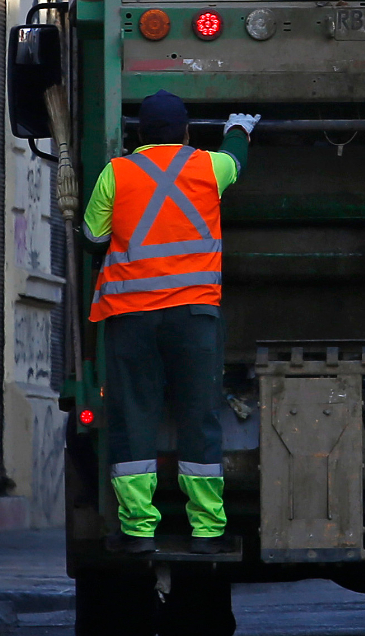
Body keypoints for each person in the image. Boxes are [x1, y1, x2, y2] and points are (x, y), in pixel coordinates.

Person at [81, 89, 260, 554]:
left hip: (131, 319)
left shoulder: (116, 173)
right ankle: (207, 532)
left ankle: (138, 532)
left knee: (133, 420)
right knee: (199, 419)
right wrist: (239, 130)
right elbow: (235, 161)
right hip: (194, 318)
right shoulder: (208, 166)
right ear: (185, 131)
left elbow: (91, 235)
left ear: (139, 135)